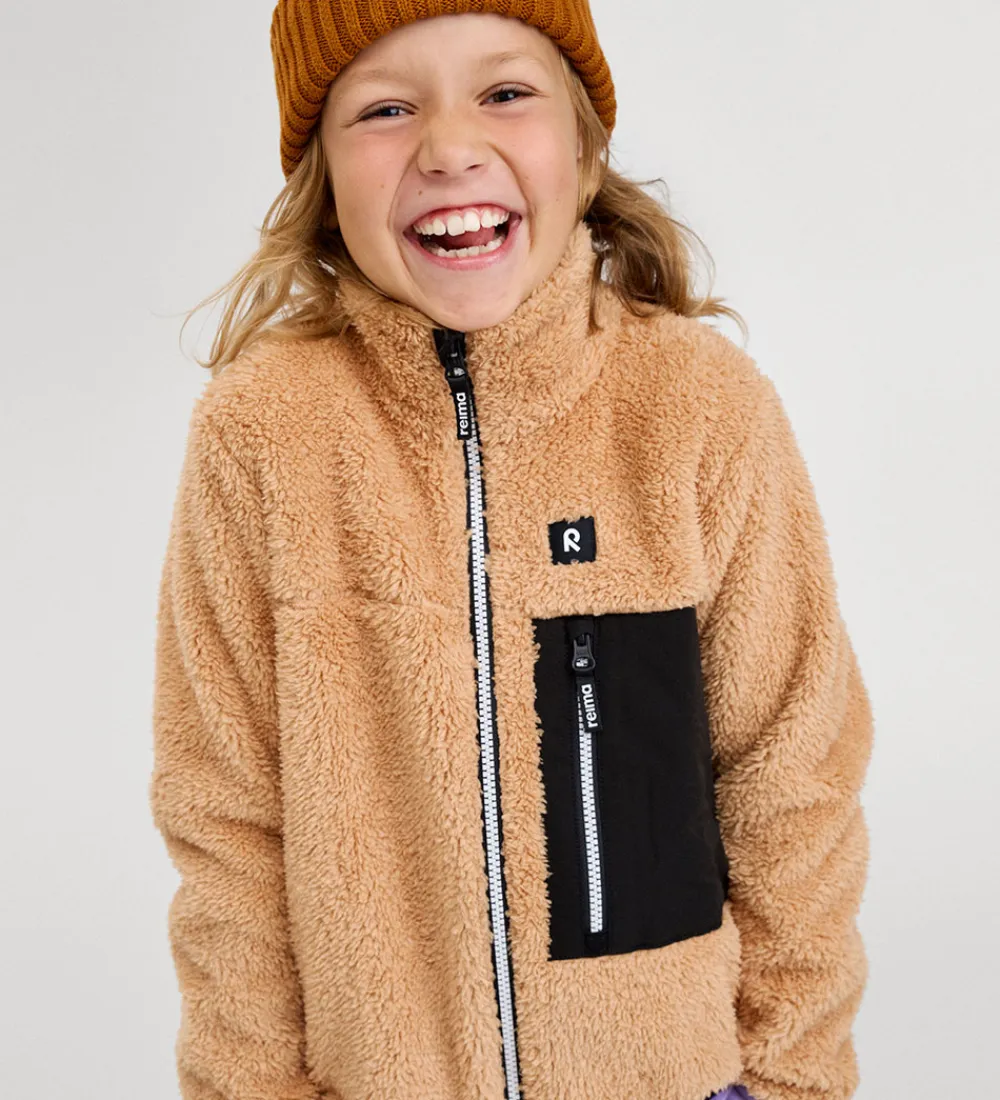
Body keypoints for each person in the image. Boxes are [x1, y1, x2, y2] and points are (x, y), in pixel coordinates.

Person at [149, 2, 874, 1099]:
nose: (450, 146)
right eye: (384, 109)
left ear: (584, 150)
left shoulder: (696, 408)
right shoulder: (262, 435)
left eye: (504, 92)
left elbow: (793, 773)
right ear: (321, 181)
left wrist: (793, 1078)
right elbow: (226, 818)